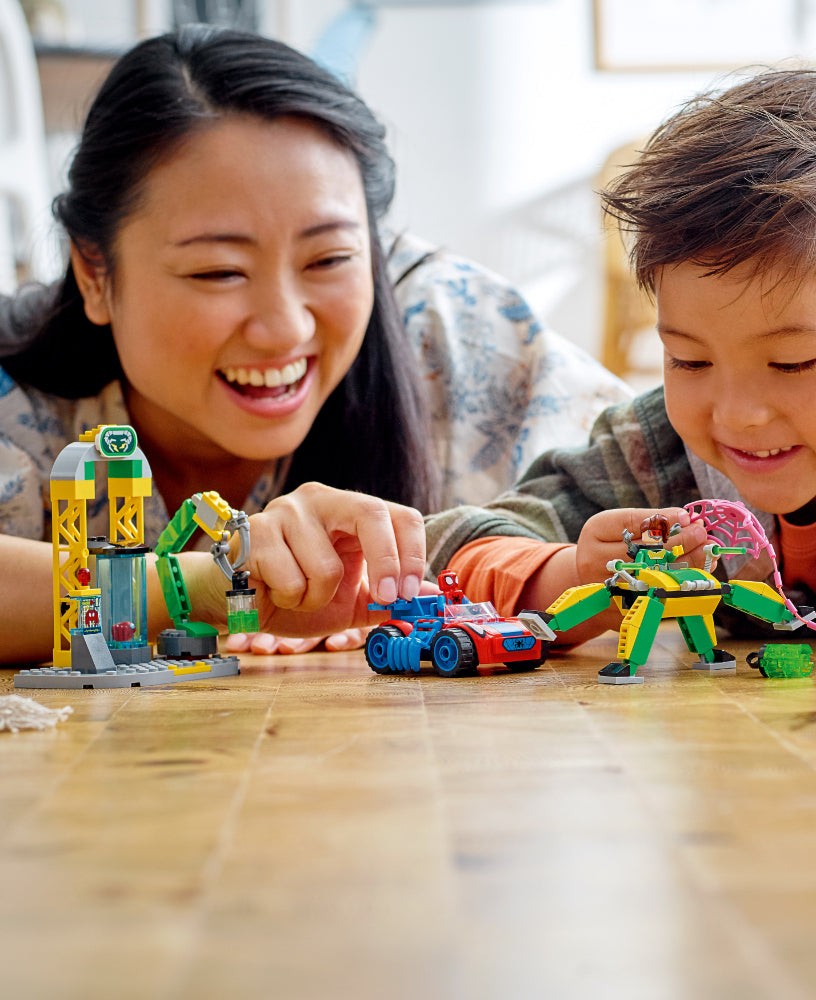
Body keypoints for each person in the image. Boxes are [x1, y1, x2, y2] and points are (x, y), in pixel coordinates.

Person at [0, 26, 630, 665]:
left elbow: (679, 469)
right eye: (219, 271)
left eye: (329, 258)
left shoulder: (457, 332)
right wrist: (206, 585)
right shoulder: (16, 409)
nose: (285, 328)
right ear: (94, 274)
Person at [422, 66, 816, 670]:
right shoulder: (658, 456)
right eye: (689, 359)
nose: (736, 415)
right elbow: (451, 553)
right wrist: (574, 576)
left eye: (792, 362)